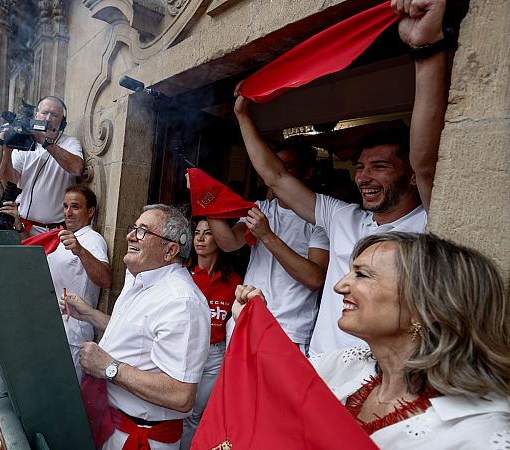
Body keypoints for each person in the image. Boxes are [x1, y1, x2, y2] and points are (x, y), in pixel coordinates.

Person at [232, 0, 448, 355]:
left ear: (410, 176)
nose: (364, 177)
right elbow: (275, 177)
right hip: (321, 372)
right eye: (360, 167)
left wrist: (426, 51)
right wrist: (243, 117)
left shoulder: (428, 222)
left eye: (379, 166)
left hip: (380, 382)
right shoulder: (343, 217)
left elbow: (425, 160)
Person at [299, 233, 510, 448]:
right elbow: (275, 374)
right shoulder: (346, 366)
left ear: (426, 306)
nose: (339, 285)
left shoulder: (478, 435)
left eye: (361, 274)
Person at [62, 204, 210, 449]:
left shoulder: (182, 302)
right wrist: (89, 315)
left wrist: (110, 368)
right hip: (110, 423)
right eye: (134, 228)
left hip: (139, 436)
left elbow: (181, 395)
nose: (130, 235)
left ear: (170, 250)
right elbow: (136, 336)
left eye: (143, 231)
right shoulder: (140, 277)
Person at [201, 145, 329, 354]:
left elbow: (314, 279)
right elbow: (229, 243)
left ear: (307, 172)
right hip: (243, 318)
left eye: (285, 167)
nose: (273, 173)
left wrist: (267, 235)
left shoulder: (319, 220)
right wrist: (206, 200)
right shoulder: (261, 208)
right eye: (270, 166)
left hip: (287, 329)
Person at [7, 185, 112, 378]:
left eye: (75, 207)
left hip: (72, 334)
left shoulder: (92, 239)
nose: (68, 212)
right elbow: (34, 252)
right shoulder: (60, 237)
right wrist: (19, 226)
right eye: (65, 206)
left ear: (90, 212)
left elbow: (105, 280)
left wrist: (80, 251)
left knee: (64, 391)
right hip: (49, 328)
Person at [179, 218, 242, 449]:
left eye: (208, 233)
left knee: (196, 414)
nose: (201, 238)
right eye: (197, 233)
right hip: (185, 350)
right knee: (179, 409)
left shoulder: (234, 281)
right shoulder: (182, 275)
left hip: (215, 355)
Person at [0, 96, 85, 235]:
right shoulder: (23, 145)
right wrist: (7, 151)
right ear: (36, 115)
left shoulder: (70, 143)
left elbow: (77, 168)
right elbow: (9, 183)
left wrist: (45, 142)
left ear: (62, 123)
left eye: (54, 115)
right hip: (22, 226)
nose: (48, 118)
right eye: (44, 113)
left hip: (55, 230)